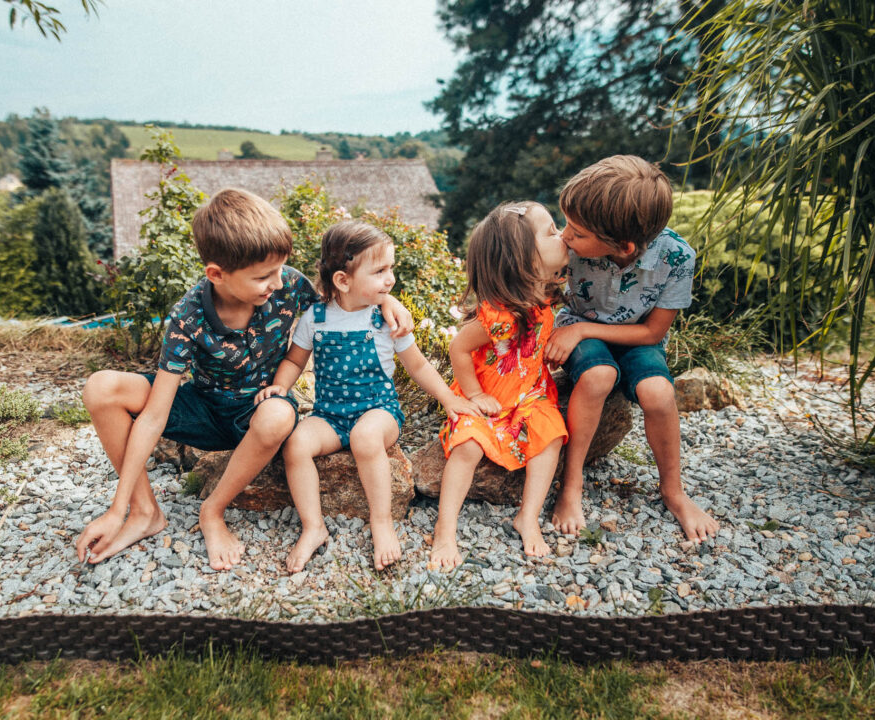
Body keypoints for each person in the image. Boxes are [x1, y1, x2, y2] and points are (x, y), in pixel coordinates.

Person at [75, 190, 412, 570]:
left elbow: (344, 301)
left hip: (258, 413)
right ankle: (142, 511)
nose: (278, 283)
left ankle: (213, 511)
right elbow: (155, 415)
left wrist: (386, 301)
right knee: (101, 387)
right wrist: (114, 510)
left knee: (279, 416)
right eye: (263, 276)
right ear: (217, 274)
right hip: (204, 408)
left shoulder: (289, 287)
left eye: (280, 270)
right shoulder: (187, 317)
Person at [258, 221, 480, 573]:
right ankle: (313, 526)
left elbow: (419, 366)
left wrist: (448, 399)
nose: (389, 279)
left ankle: (381, 521)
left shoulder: (385, 319)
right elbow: (295, 360)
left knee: (365, 436)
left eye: (390, 268)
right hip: (329, 415)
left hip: (380, 412)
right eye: (379, 271)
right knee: (296, 443)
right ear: (343, 281)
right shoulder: (314, 319)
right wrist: (281, 387)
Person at [544, 155, 720, 543]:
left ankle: (673, 491)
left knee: (658, 393)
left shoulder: (676, 257)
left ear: (622, 245)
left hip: (636, 337)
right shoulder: (570, 244)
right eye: (567, 226)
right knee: (597, 376)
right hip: (579, 330)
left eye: (576, 232)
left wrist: (586, 329)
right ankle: (571, 484)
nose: (565, 237)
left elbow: (653, 332)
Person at [430, 202, 570, 569]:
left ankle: (528, 516)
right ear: (522, 260)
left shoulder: (547, 296)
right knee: (468, 446)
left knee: (551, 435)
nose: (563, 235)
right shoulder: (498, 315)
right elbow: (458, 347)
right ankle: (446, 529)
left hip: (529, 394)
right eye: (551, 230)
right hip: (488, 394)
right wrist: (474, 394)